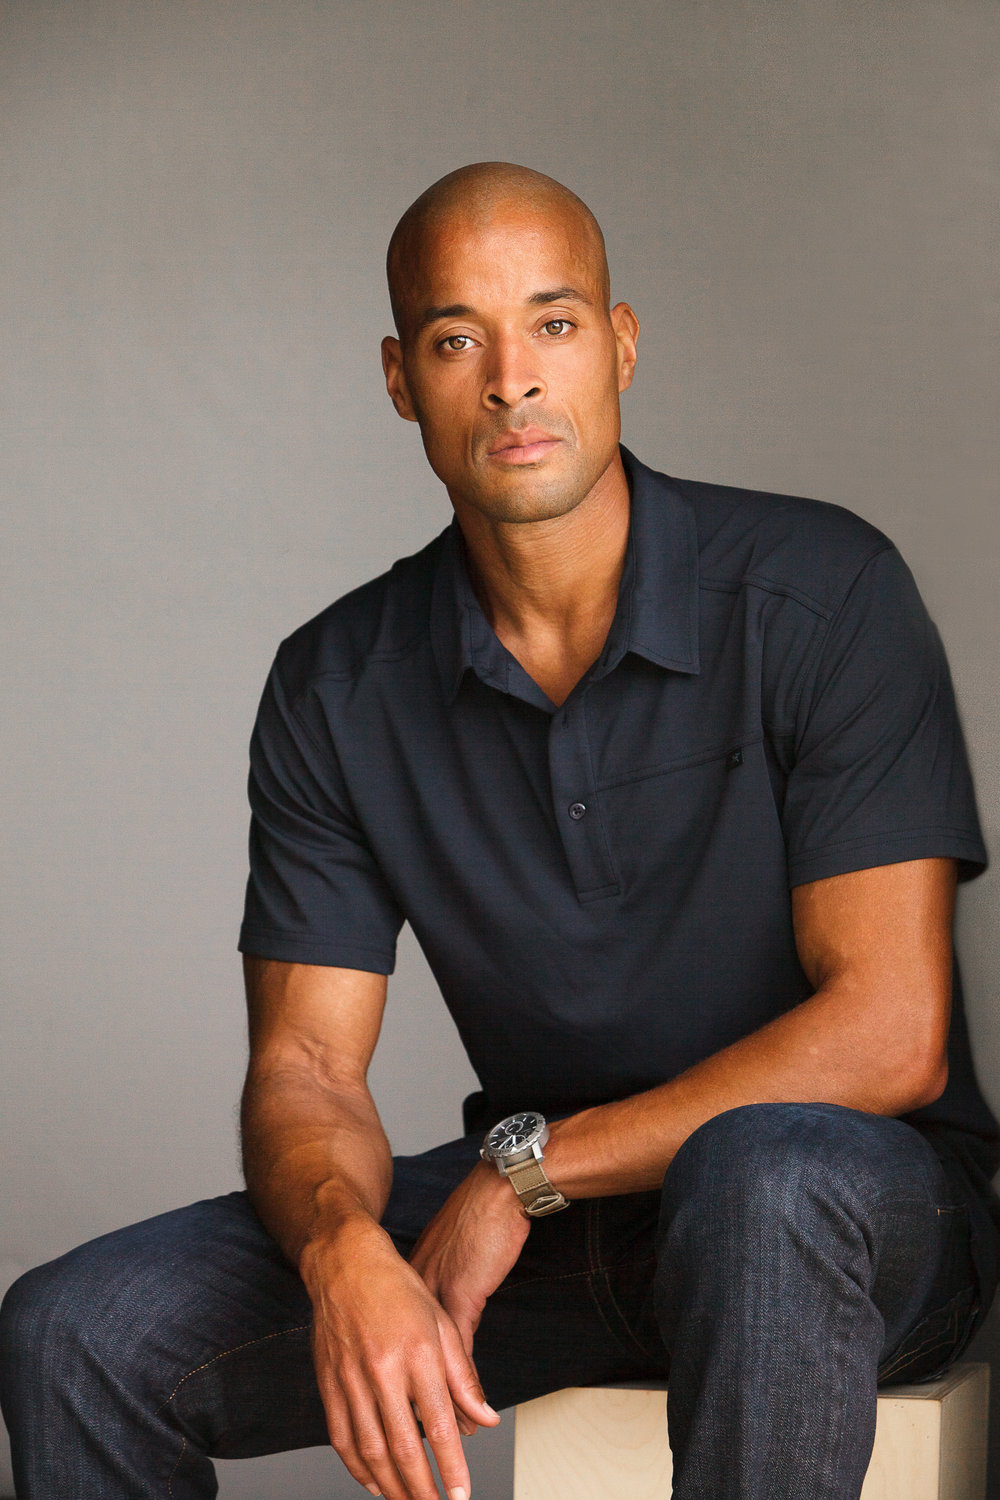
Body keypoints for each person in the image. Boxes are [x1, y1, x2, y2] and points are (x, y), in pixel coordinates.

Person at [2, 161, 998, 1500]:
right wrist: (343, 1243)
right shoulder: (337, 684)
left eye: (555, 323)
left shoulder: (823, 595)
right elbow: (306, 1070)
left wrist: (518, 1176)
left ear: (623, 343)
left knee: (763, 1173)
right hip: (563, 1240)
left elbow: (887, 1032)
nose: (511, 379)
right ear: (401, 378)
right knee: (76, 1332)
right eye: (457, 338)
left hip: (857, 1219)